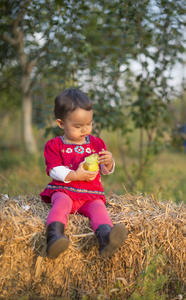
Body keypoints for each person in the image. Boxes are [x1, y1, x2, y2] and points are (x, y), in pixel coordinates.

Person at [40, 88, 127, 259]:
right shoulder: (55, 145)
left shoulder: (96, 143)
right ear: (61, 123)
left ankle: (106, 240)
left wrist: (109, 162)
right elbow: (54, 169)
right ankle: (55, 237)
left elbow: (103, 170)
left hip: (90, 195)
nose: (85, 129)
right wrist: (74, 175)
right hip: (65, 191)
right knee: (61, 205)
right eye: (78, 126)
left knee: (99, 209)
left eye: (89, 124)